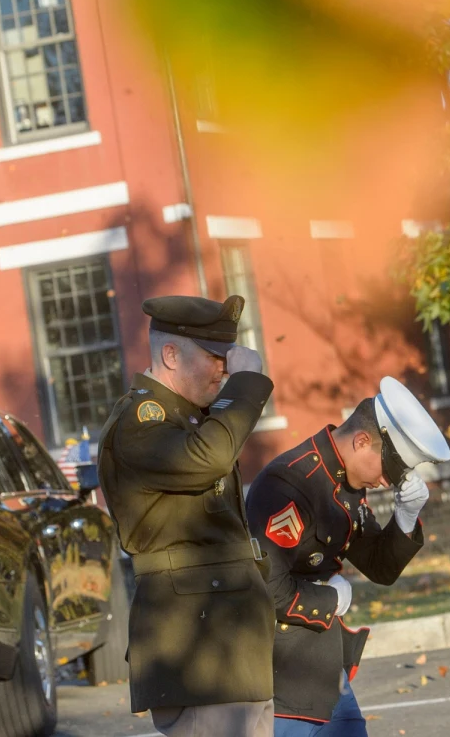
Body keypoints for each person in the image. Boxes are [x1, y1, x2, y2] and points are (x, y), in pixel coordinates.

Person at [97, 294, 277, 737]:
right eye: (216, 357)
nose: (225, 369)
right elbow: (208, 459)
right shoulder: (142, 420)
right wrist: (248, 385)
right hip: (197, 644)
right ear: (170, 354)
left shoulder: (190, 419)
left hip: (229, 636)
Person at [245, 377, 450, 736]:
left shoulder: (345, 484)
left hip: (325, 668)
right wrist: (331, 599)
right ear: (360, 441)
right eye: (388, 470)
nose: (387, 482)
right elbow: (268, 589)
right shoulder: (289, 485)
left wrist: (404, 518)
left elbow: (379, 566)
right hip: (282, 675)